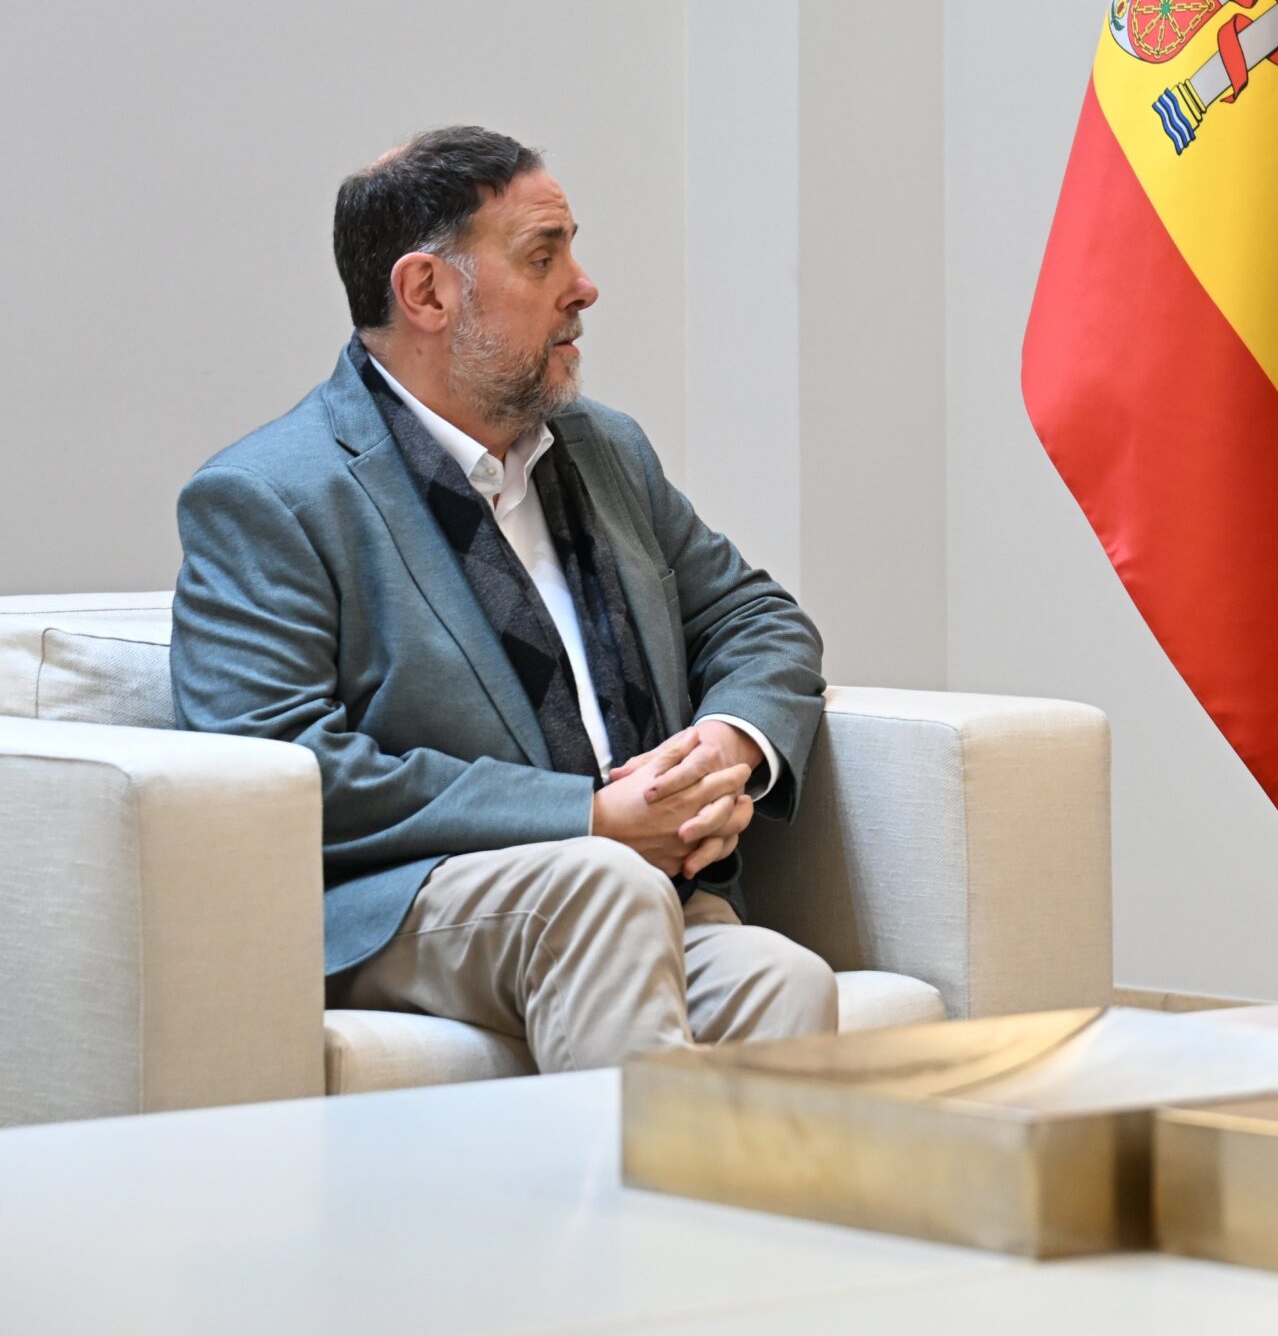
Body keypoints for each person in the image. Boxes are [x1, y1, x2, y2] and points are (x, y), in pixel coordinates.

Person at [172, 127, 837, 1069]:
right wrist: (588, 817)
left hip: (645, 886)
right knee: (603, 886)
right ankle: (625, 1176)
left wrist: (725, 752)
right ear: (427, 293)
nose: (584, 286)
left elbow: (755, 617)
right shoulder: (270, 495)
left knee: (783, 978)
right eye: (542, 255)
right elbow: (276, 764)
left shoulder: (604, 448)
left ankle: (700, 1179)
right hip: (410, 901)